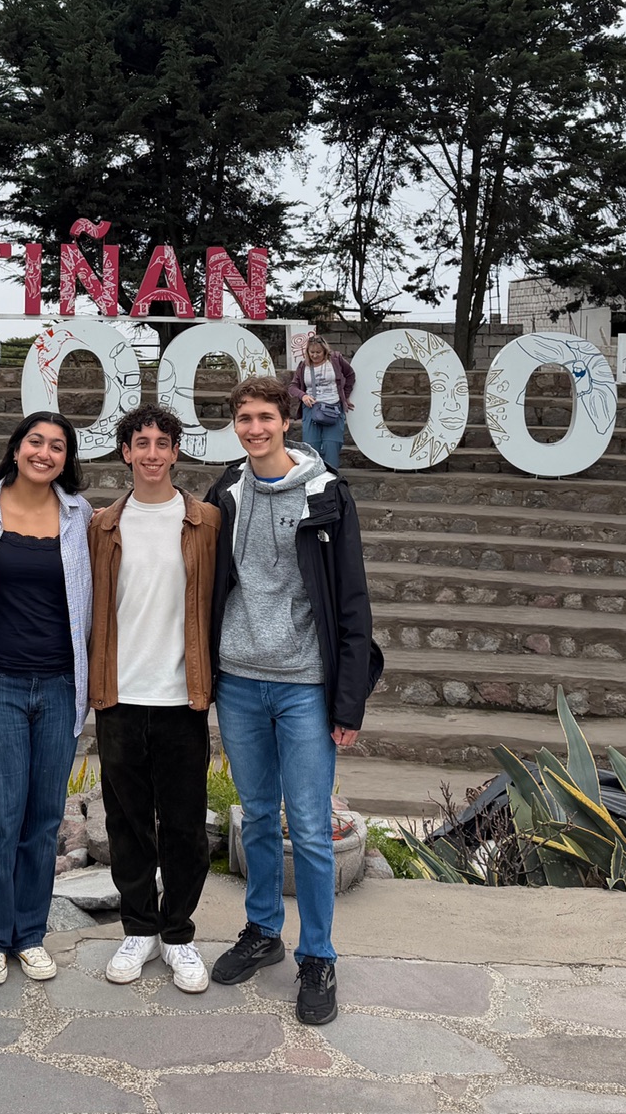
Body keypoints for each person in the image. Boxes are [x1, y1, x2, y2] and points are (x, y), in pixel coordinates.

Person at [205, 375, 381, 1027]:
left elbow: (354, 601)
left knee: (307, 825)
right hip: (239, 680)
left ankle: (318, 956)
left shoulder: (328, 495)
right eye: (244, 418)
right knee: (254, 816)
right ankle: (261, 932)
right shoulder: (224, 492)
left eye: (265, 417)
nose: (254, 428)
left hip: (305, 683)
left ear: (289, 420)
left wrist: (348, 704)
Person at [87, 403, 220, 993]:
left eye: (161, 443)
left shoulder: (207, 522)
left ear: (175, 452)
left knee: (186, 825)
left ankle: (179, 934)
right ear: (125, 452)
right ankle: (138, 927)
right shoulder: (101, 525)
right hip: (118, 695)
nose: (150, 453)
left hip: (181, 697)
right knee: (128, 822)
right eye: (140, 443)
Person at [0, 411, 93, 986]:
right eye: (35, 442)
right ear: (16, 449)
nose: (45, 453)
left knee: (43, 821)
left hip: (62, 685)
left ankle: (31, 934)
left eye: (57, 446)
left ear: (67, 459)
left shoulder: (80, 516)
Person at [288, 333, 356, 471]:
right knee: (311, 445)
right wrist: (303, 396)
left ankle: (331, 478)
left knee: (332, 444)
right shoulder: (303, 366)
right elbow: (292, 387)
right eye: (311, 352)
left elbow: (350, 375)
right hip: (312, 408)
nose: (315, 355)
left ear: (325, 350)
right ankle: (312, 476)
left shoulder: (336, 360)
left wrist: (345, 396)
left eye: (318, 352)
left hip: (333, 407)